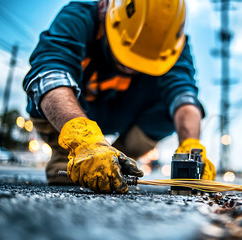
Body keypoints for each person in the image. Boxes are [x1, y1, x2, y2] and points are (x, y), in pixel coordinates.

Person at [22, 0, 215, 193]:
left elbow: (184, 95)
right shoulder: (79, 17)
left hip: (124, 112)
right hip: (74, 112)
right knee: (47, 88)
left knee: (171, 107)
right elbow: (49, 74)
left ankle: (120, 160)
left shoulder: (170, 44)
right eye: (126, 57)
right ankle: (70, 154)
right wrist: (83, 139)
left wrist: (191, 144)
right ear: (105, 10)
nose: (131, 68)